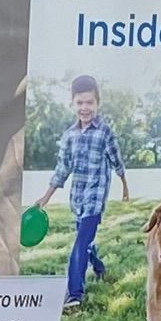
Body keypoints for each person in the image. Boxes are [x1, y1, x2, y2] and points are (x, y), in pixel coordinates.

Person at [42, 70, 129, 306]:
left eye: (90, 102)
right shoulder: (69, 136)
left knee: (80, 242)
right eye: (80, 103)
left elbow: (116, 160)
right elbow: (63, 168)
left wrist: (124, 187)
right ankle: (99, 267)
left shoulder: (104, 132)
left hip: (95, 198)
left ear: (97, 103)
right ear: (72, 104)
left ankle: (75, 294)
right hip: (77, 199)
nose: (85, 107)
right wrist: (45, 197)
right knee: (86, 242)